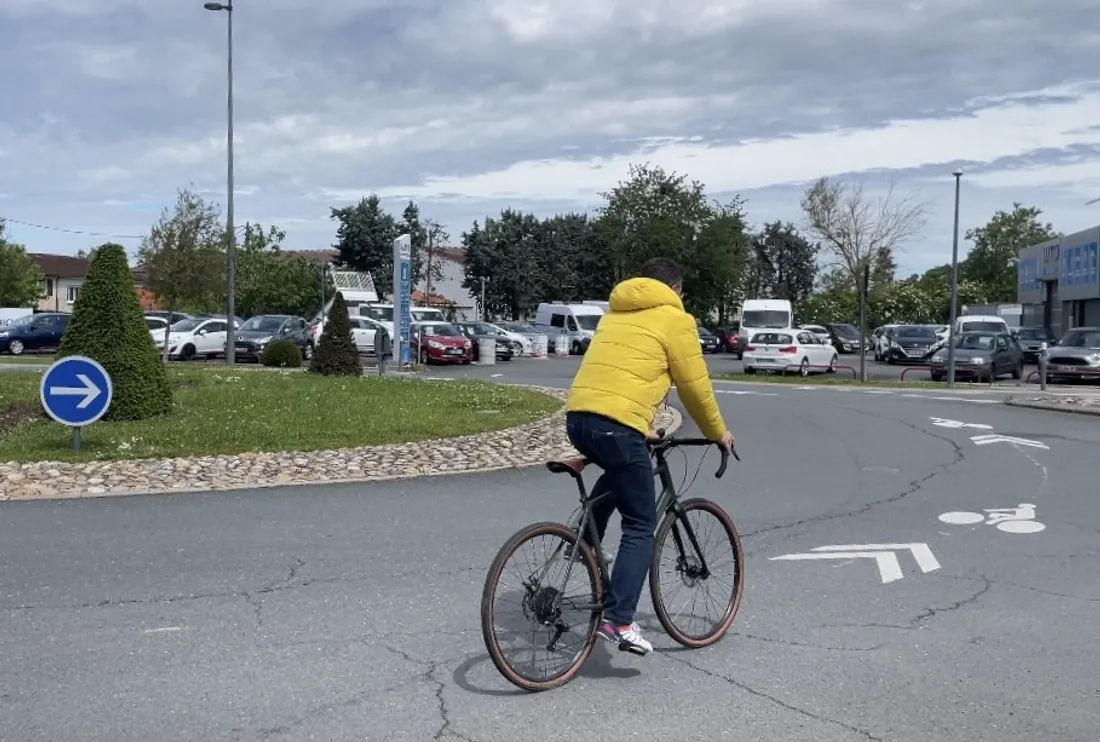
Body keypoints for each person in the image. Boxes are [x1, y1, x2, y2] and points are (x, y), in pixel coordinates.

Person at [564, 257, 734, 656]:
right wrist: (718, 433)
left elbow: (614, 376)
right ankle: (619, 620)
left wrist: (643, 427)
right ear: (675, 289)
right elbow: (695, 388)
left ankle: (584, 543)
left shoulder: (614, 315)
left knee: (621, 470)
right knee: (641, 525)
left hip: (578, 419)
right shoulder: (676, 320)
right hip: (618, 426)